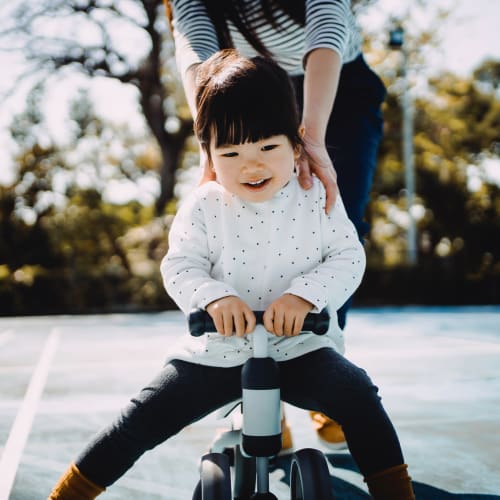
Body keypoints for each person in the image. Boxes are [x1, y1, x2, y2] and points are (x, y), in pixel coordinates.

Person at [48, 50, 414, 500]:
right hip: (216, 351)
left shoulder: (314, 194)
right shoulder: (204, 205)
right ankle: (67, 495)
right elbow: (179, 265)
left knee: (359, 394)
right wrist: (213, 299)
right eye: (231, 151)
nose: (251, 164)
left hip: (300, 346)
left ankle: (398, 493)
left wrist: (305, 297)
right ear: (209, 155)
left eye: (267, 147)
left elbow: (347, 257)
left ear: (296, 145)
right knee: (139, 419)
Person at [163, 0, 387, 449]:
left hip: (334, 86)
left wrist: (313, 138)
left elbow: (327, 22)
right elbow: (197, 46)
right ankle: (258, 387)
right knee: (239, 219)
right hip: (243, 94)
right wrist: (211, 143)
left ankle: (318, 358)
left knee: (334, 216)